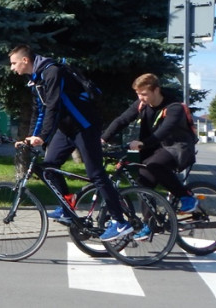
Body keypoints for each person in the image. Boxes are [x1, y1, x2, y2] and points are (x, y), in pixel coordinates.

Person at [9, 45, 132, 241]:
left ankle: (120, 223)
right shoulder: (35, 79)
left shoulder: (52, 72)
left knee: (96, 174)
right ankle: (67, 207)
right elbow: (38, 111)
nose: (12, 68)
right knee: (49, 168)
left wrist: (43, 136)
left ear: (25, 60)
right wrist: (31, 137)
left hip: (84, 126)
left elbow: (53, 106)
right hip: (66, 129)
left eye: (14, 63)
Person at [101, 73, 198, 239]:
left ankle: (186, 196)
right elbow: (121, 120)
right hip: (156, 148)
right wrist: (103, 138)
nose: (141, 98)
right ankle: (150, 223)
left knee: (154, 165)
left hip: (178, 147)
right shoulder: (141, 104)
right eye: (138, 94)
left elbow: (163, 132)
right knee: (143, 182)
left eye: (144, 94)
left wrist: (143, 143)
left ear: (156, 90)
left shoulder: (174, 107)